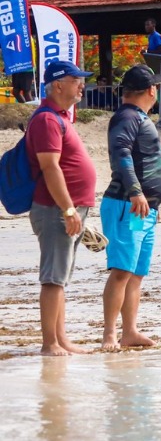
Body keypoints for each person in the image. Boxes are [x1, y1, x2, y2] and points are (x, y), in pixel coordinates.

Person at [26, 60, 97, 356]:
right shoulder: (46, 120)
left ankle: (61, 338)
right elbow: (50, 166)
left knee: (61, 277)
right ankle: (49, 343)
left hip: (69, 209)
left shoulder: (60, 117)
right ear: (57, 85)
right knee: (53, 278)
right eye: (75, 79)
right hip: (56, 209)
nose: (82, 84)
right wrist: (68, 210)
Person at [100, 65, 161, 351]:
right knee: (121, 271)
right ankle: (109, 336)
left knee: (136, 273)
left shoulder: (137, 117)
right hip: (125, 204)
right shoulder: (127, 117)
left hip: (143, 209)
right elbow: (121, 154)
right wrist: (136, 192)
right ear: (151, 90)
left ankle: (130, 331)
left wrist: (151, 202)